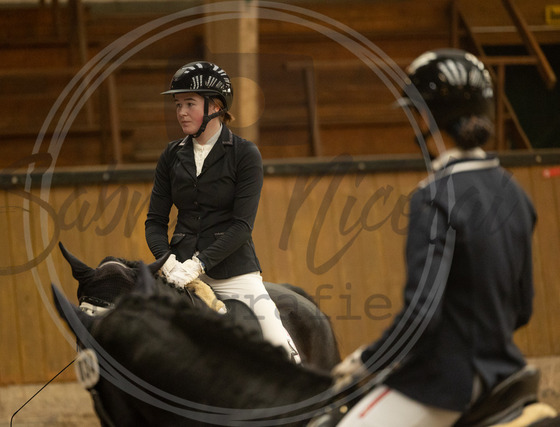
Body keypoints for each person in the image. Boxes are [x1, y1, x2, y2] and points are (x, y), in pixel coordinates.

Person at [332, 49, 537, 426]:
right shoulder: (516, 193)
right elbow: (523, 308)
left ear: (426, 119)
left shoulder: (434, 196)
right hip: (505, 372)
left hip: (446, 382)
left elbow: (421, 315)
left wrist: (367, 361)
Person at [145, 61, 300, 363]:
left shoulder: (244, 154)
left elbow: (242, 226)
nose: (181, 112)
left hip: (233, 272)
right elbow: (155, 221)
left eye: (189, 103)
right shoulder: (171, 155)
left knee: (277, 342)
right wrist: (167, 261)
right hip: (176, 271)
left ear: (215, 106)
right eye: (178, 104)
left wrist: (198, 264)